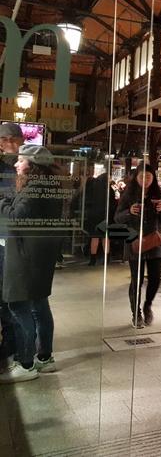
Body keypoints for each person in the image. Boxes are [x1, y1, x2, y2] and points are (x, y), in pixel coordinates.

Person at [0, 145, 63, 383]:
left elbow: (17, 217)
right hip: (38, 256)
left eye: (20, 160)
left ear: (32, 165)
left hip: (27, 257)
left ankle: (26, 364)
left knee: (18, 307)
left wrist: (1, 205)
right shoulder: (46, 185)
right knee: (39, 306)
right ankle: (45, 358)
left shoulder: (35, 187)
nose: (16, 165)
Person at [114, 163, 161, 328]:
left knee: (154, 279)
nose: (145, 180)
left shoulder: (159, 194)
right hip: (135, 242)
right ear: (136, 178)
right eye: (141, 177)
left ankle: (148, 305)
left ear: (153, 178)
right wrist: (129, 212)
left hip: (155, 242)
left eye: (148, 177)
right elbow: (117, 218)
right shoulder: (128, 194)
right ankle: (136, 313)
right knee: (136, 280)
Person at [0, 123, 23, 372]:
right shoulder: (8, 170)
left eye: (7, 139)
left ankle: (13, 343)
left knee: (9, 297)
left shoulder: (13, 171)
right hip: (5, 238)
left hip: (9, 240)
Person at [82, 170, 116, 265]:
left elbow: (87, 201)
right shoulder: (109, 190)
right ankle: (106, 259)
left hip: (94, 216)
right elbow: (113, 204)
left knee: (95, 237)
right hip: (105, 216)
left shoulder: (93, 188)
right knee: (105, 238)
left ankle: (92, 260)